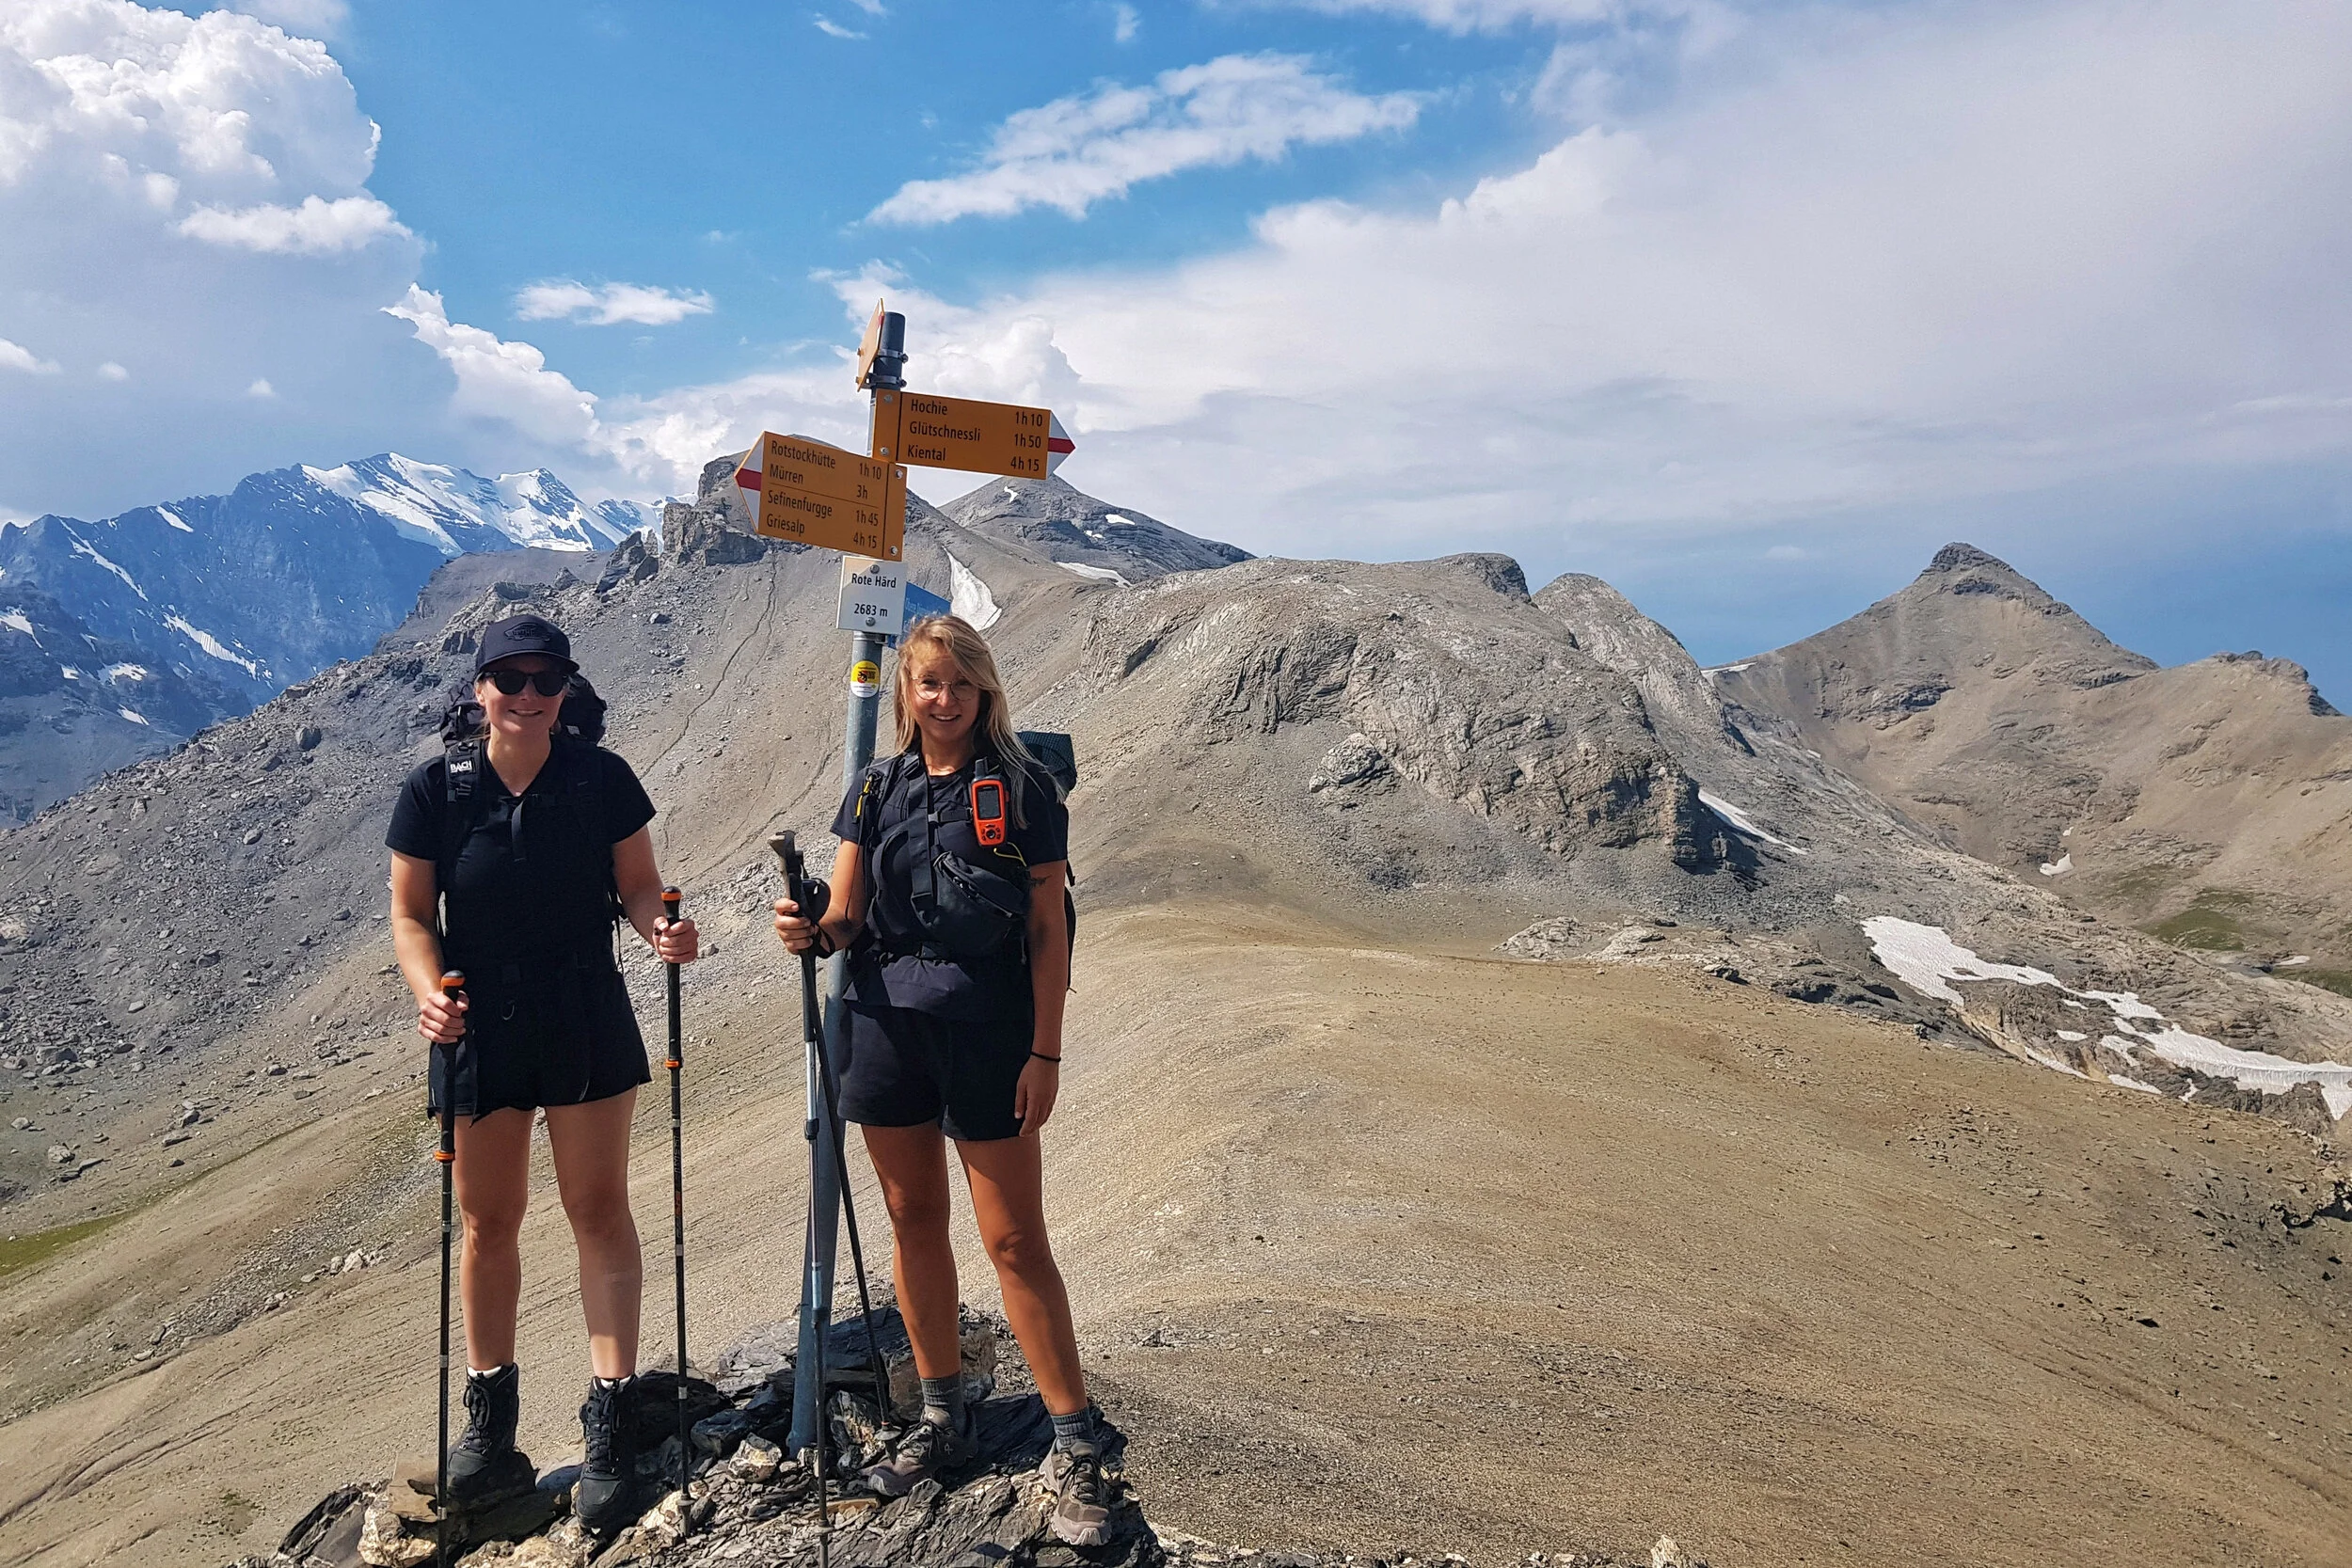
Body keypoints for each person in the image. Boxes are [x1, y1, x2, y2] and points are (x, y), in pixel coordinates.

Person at [772, 613, 1107, 1547]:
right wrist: (809, 925)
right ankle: (941, 1413)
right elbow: (844, 918)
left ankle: (1077, 1438)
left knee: (1012, 1238)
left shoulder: (1027, 787)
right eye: (929, 684)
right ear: (906, 694)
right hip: (886, 1028)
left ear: (985, 690)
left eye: (962, 684)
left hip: (995, 1030)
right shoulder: (873, 787)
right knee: (913, 1219)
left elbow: (1048, 930)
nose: (945, 700)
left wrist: (1046, 1052)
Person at [387, 614, 698, 1535]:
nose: (527, 695)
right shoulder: (432, 791)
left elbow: (638, 884)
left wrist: (661, 930)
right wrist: (426, 991)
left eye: (545, 679)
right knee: (488, 1221)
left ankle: (609, 1423)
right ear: (478, 687)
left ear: (567, 690)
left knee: (597, 1208)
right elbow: (410, 914)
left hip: (585, 1011)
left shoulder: (602, 781)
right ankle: (491, 1436)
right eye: (509, 678)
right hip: (479, 1023)